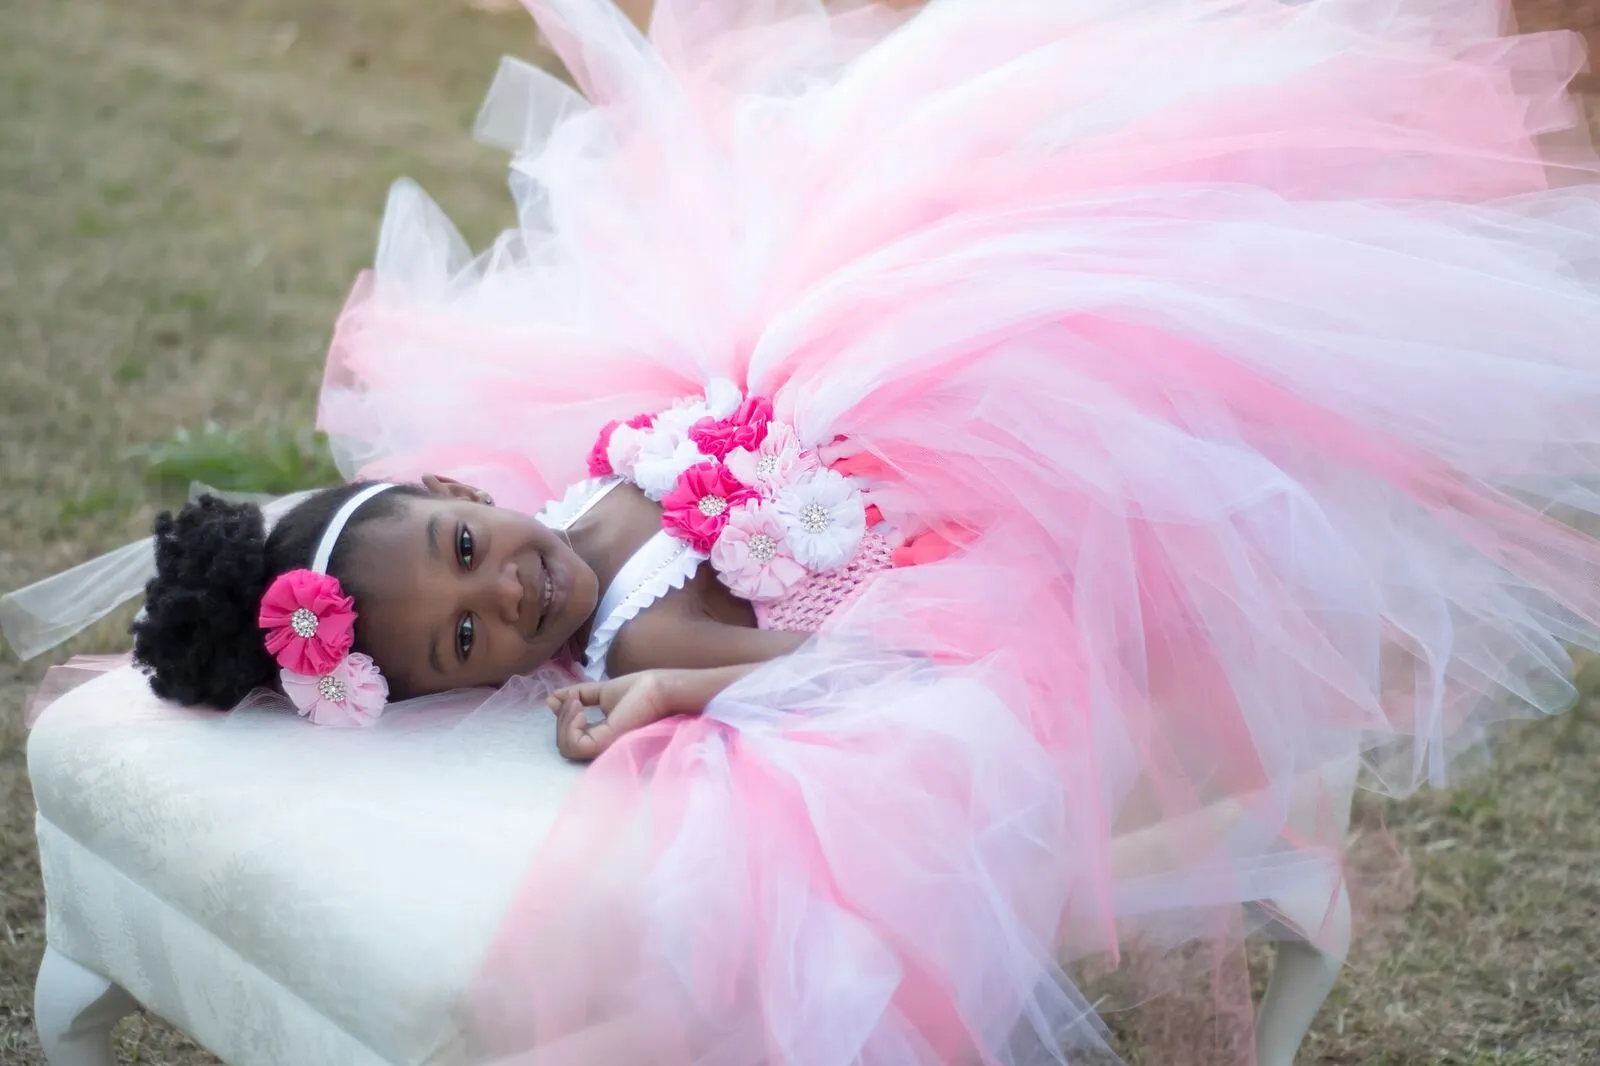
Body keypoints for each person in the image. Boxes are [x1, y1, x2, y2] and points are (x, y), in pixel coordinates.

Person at [9, 0, 1600, 1062]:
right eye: (472, 635)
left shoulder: (555, 500)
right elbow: (818, 663)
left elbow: (644, 444)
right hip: (952, 480)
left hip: (874, 357)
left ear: (450, 487)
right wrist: (662, 692)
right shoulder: (635, 631)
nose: (509, 578)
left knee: (1015, 171)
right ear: (470, 682)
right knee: (1162, 348)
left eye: (462, 538)